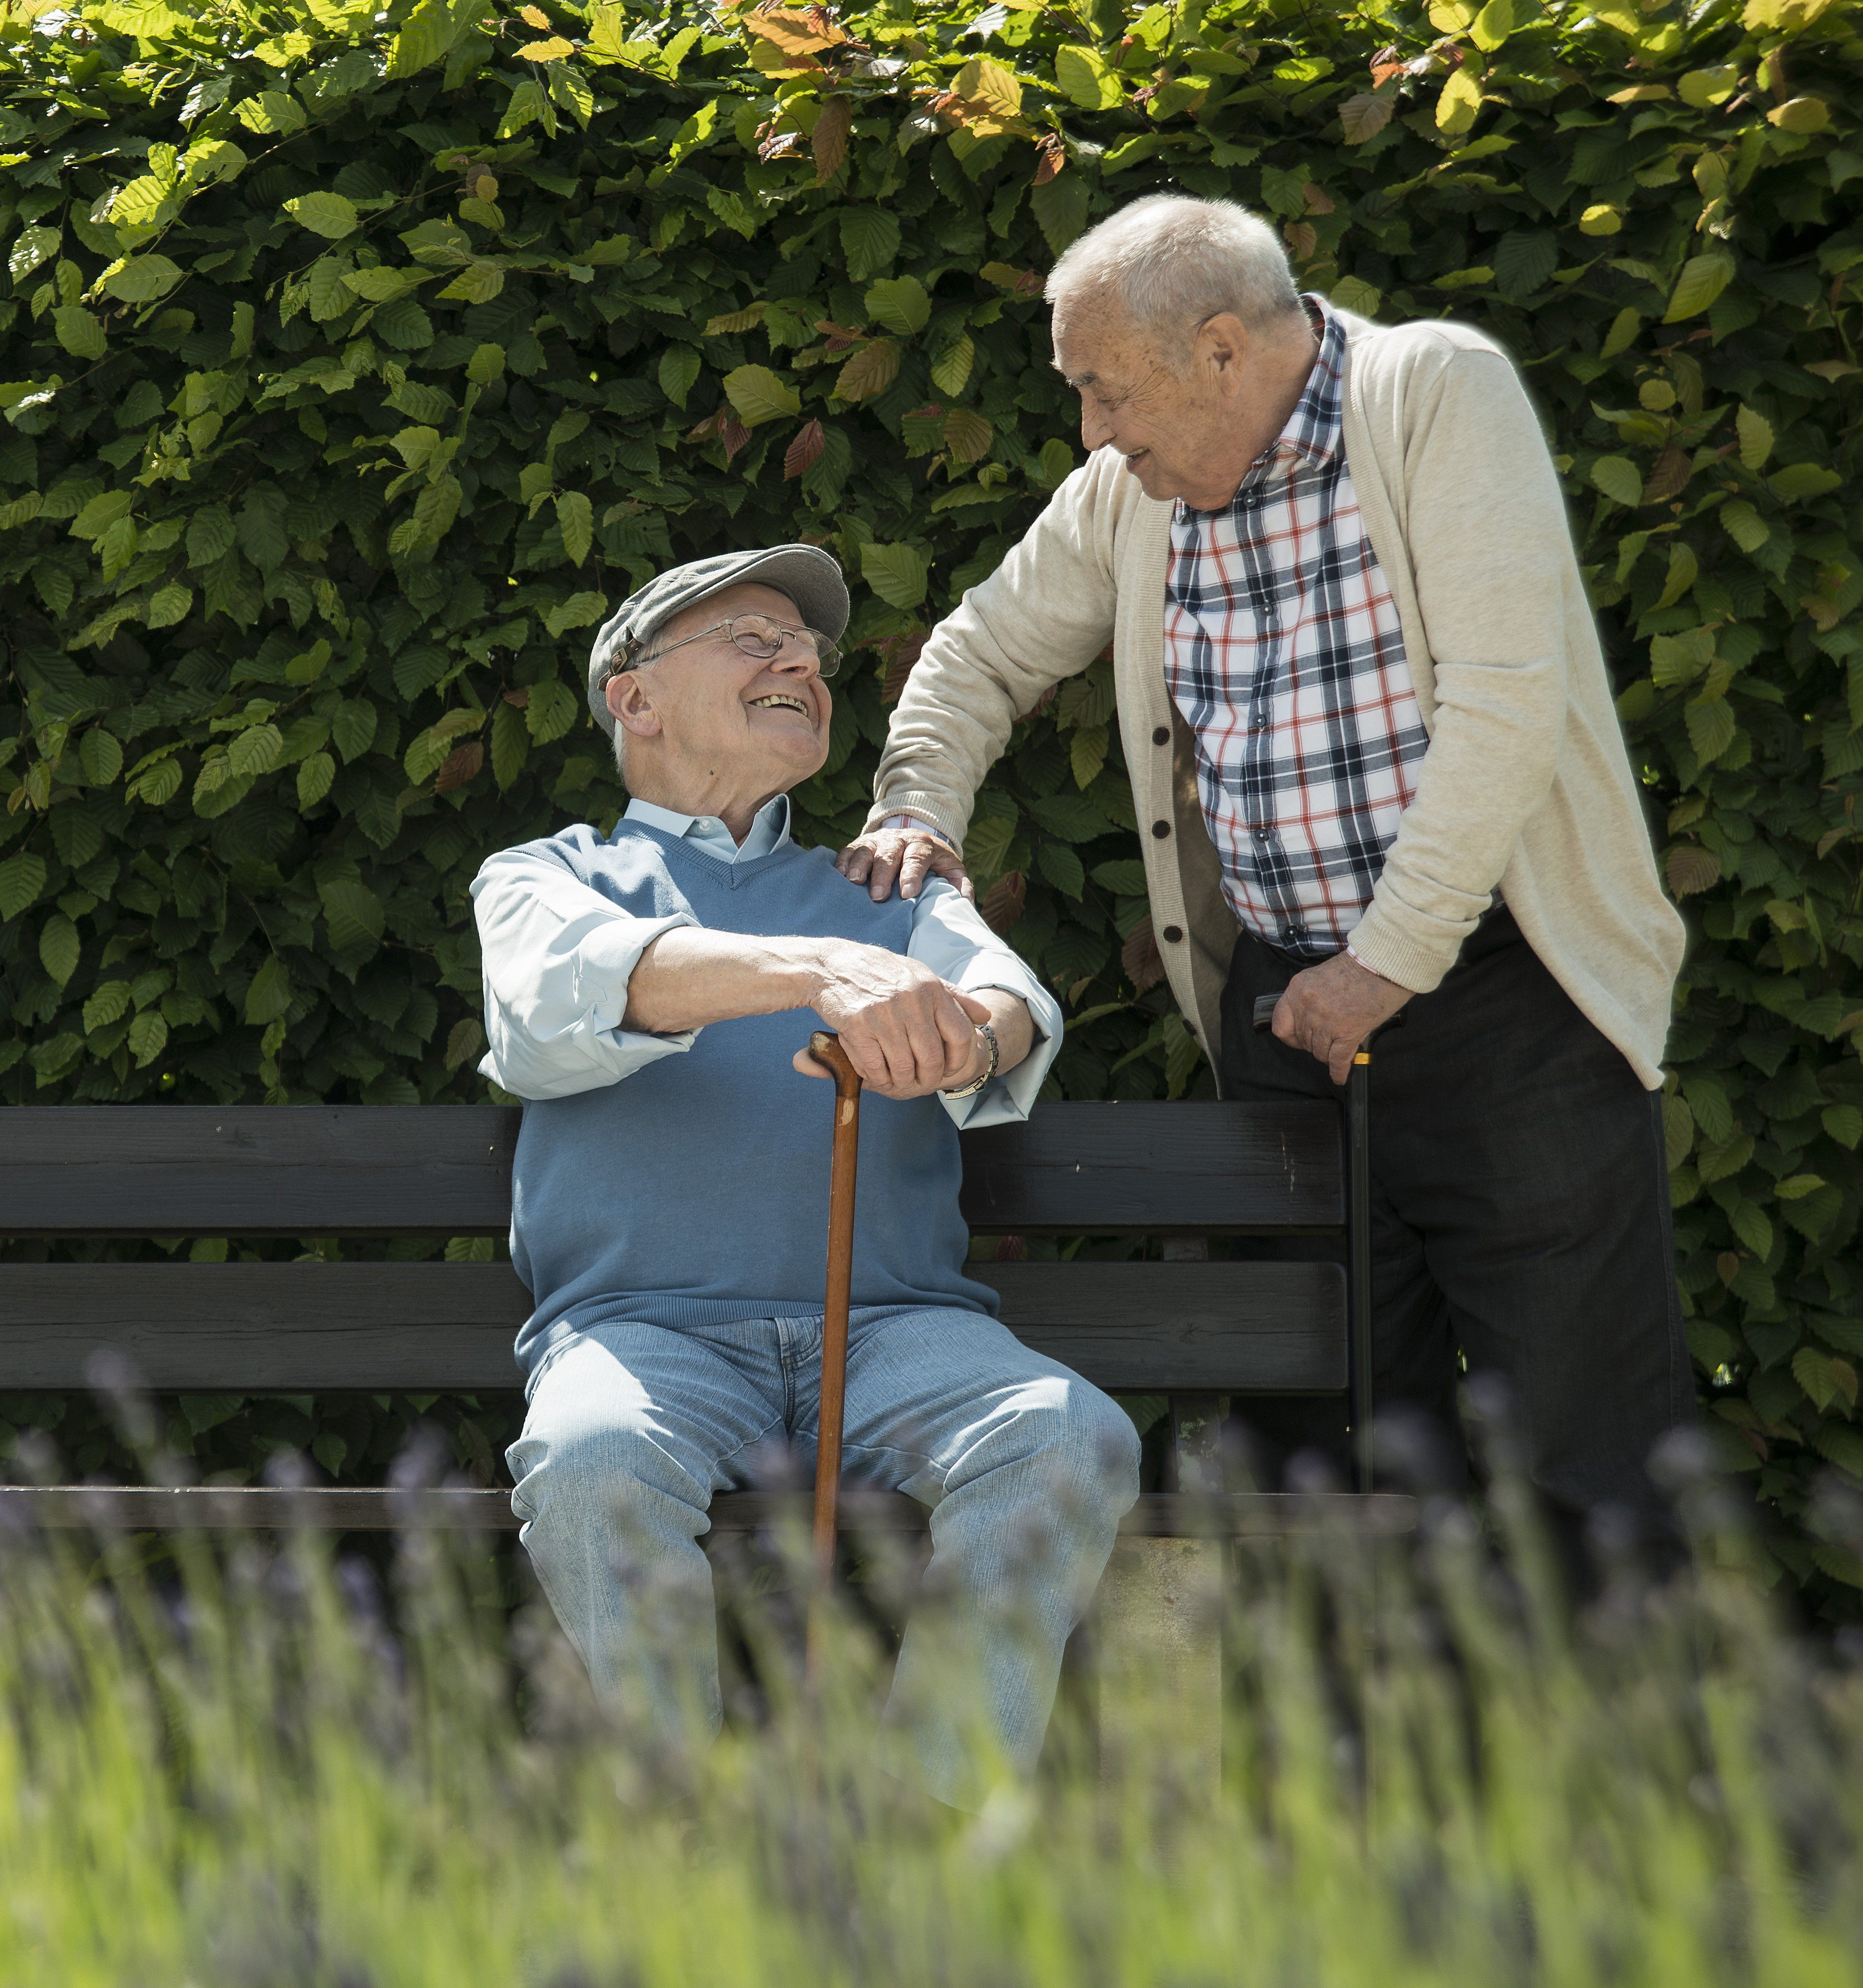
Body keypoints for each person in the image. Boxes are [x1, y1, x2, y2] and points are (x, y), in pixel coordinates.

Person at [840, 195, 1693, 1540]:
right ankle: (1343, 1754)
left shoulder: (1430, 390)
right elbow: (978, 652)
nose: (1092, 432)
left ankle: (1594, 1757)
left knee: (1580, 1455)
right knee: (1318, 1458)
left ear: (1223, 351)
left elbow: (1505, 703)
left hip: (1506, 999)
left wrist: (1385, 963)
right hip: (1290, 1014)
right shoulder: (1125, 498)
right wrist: (912, 806)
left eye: (1102, 390)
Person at [475, 543, 1138, 1805]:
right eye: (750, 639)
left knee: (1065, 1438)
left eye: (810, 653)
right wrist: (815, 972)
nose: (797, 663)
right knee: (589, 1463)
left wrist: (958, 1029)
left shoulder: (878, 884)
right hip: (644, 1335)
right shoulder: (545, 875)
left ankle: (922, 1837)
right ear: (634, 696)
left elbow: (1010, 1006)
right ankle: (688, 1844)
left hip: (893, 1334)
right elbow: (550, 1002)